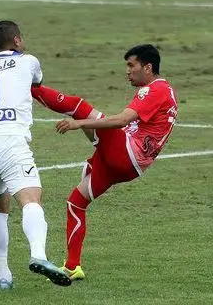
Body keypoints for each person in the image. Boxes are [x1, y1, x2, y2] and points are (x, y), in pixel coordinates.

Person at [31, 44, 178, 280]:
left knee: (80, 108)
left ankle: (25, 86)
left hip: (126, 153)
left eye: (131, 65)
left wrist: (80, 124)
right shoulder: (164, 90)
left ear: (148, 67)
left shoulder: (155, 90)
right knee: (76, 202)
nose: (127, 71)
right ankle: (72, 267)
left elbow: (121, 121)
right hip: (129, 165)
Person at [0, 21, 71, 289]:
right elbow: (38, 83)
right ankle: (39, 255)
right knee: (31, 199)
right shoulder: (28, 61)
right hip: (9, 142)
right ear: (17, 40)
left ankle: (3, 276)